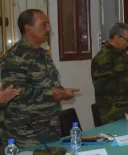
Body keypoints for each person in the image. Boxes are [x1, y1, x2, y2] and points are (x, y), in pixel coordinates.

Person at [1, 9, 79, 147]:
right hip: (26, 133)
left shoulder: (44, 55)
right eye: (44, 24)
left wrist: (62, 92)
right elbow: (15, 92)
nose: (48, 29)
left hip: (49, 128)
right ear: (28, 28)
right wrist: (51, 94)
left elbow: (49, 85)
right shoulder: (16, 56)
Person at [92, 22, 128, 124]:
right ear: (116, 37)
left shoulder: (123, 55)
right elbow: (103, 86)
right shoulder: (103, 58)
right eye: (127, 39)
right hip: (114, 114)